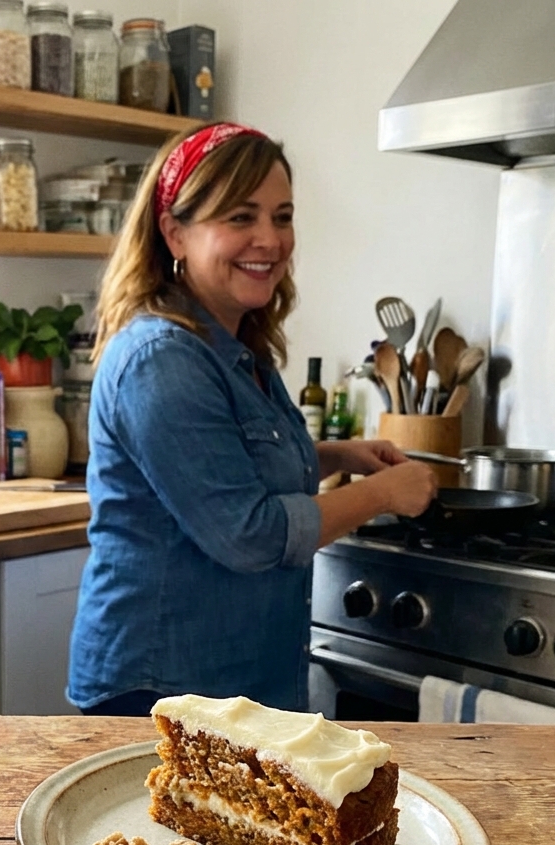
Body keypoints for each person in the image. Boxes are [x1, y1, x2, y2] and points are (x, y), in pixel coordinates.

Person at [68, 122, 436, 716]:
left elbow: (231, 468)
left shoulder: (235, 346)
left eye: (282, 216)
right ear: (175, 233)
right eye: (241, 218)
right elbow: (250, 533)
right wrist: (382, 493)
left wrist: (340, 455)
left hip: (232, 682)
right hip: (159, 688)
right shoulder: (162, 358)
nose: (269, 239)